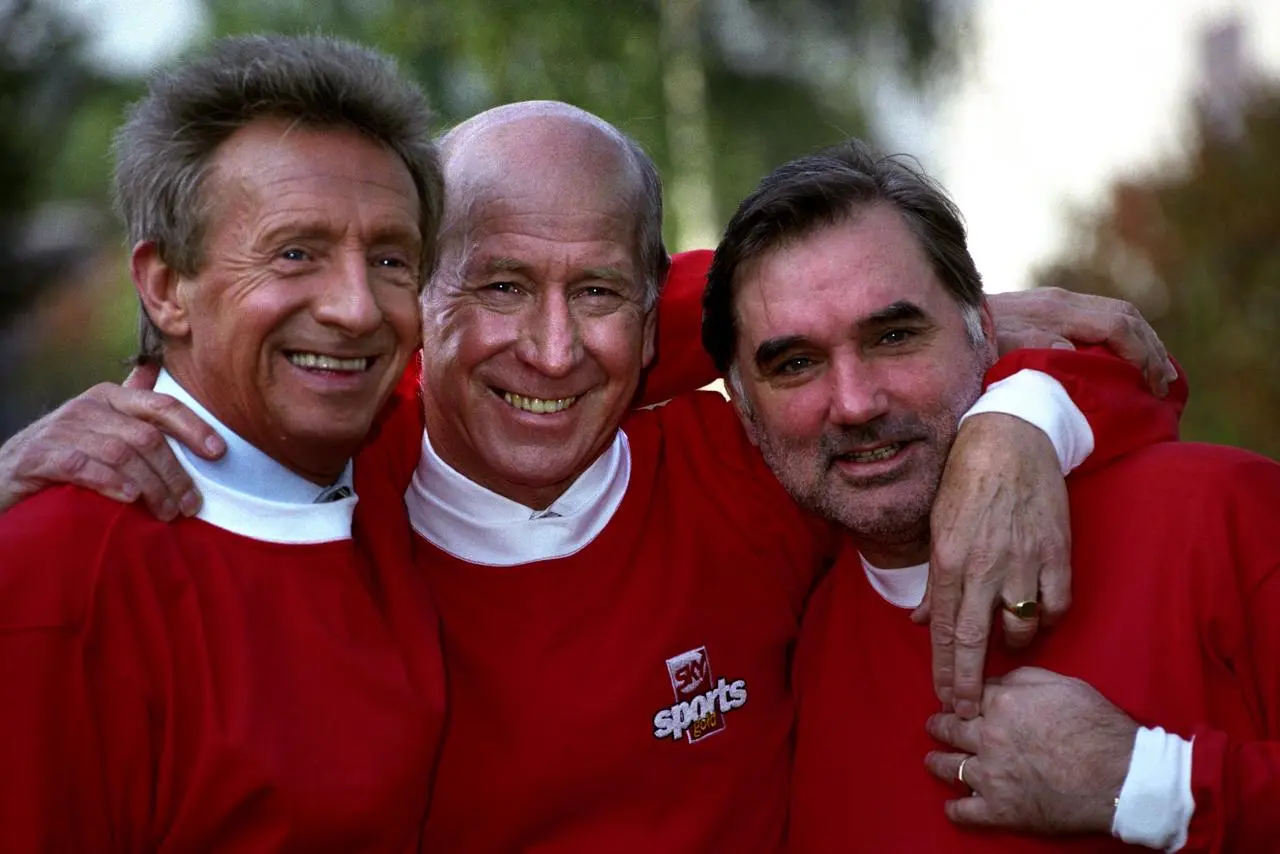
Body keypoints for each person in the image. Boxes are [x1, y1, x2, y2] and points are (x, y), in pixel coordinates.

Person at [0, 101, 1177, 851]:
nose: (553, 350)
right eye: (497, 286)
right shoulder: (338, 495)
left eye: (601, 294)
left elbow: (1130, 373)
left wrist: (1015, 405)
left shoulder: (746, 471)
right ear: (420, 301)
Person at [700, 137, 1280, 852]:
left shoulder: (1217, 516)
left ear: (984, 330)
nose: (853, 402)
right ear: (744, 413)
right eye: (795, 363)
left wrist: (1149, 782)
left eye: (893, 335)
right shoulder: (792, 647)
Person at [0, 34, 448, 850]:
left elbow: (579, 340)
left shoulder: (394, 465)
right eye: (295, 252)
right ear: (168, 287)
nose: (356, 307)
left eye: (390, 258)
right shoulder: (61, 577)